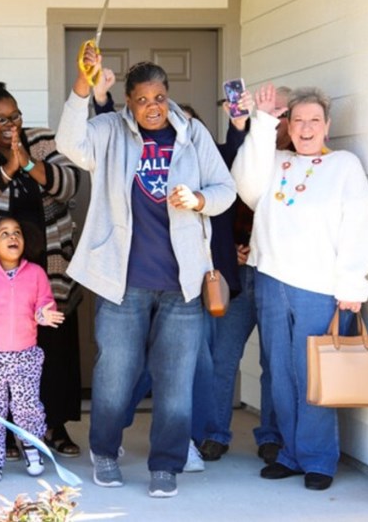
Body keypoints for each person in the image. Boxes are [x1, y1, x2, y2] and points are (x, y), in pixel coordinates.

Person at [55, 48, 236, 498]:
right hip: (124, 282)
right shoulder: (109, 131)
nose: (152, 106)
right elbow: (68, 143)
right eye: (141, 99)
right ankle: (106, 451)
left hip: (184, 285)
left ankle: (166, 466)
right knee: (114, 374)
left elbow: (225, 189)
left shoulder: (192, 133)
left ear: (167, 95)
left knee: (176, 382)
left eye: (159, 96)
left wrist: (198, 200)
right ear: (128, 102)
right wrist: (83, 85)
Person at [232, 84, 368, 491]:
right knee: (280, 372)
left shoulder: (344, 166)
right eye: (298, 120)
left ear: (327, 126)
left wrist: (353, 282)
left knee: (313, 374)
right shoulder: (275, 161)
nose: (306, 128)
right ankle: (291, 454)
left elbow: (359, 224)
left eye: (315, 120)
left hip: (321, 287)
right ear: (288, 126)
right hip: (272, 279)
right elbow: (245, 184)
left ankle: (318, 459)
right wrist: (261, 124)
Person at [0, 78, 83, 458]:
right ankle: (5, 431)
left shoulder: (43, 139)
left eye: (14, 116)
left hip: (50, 262)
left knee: (53, 346)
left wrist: (28, 163)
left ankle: (56, 425)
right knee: (3, 352)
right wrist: (8, 168)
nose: (9, 125)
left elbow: (70, 185)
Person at [196, 87, 293, 465]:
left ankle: (270, 436)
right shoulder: (246, 155)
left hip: (274, 273)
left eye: (283, 115)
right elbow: (227, 206)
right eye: (271, 114)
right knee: (223, 357)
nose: (279, 123)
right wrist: (234, 247)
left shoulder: (302, 163)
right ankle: (215, 433)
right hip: (238, 275)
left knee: (274, 361)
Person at [0, 217, 65, 482]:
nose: (12, 237)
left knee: (27, 406)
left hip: (26, 354)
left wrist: (44, 315)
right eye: (4, 234)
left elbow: (45, 304)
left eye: (17, 232)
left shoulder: (36, 274)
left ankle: (32, 448)